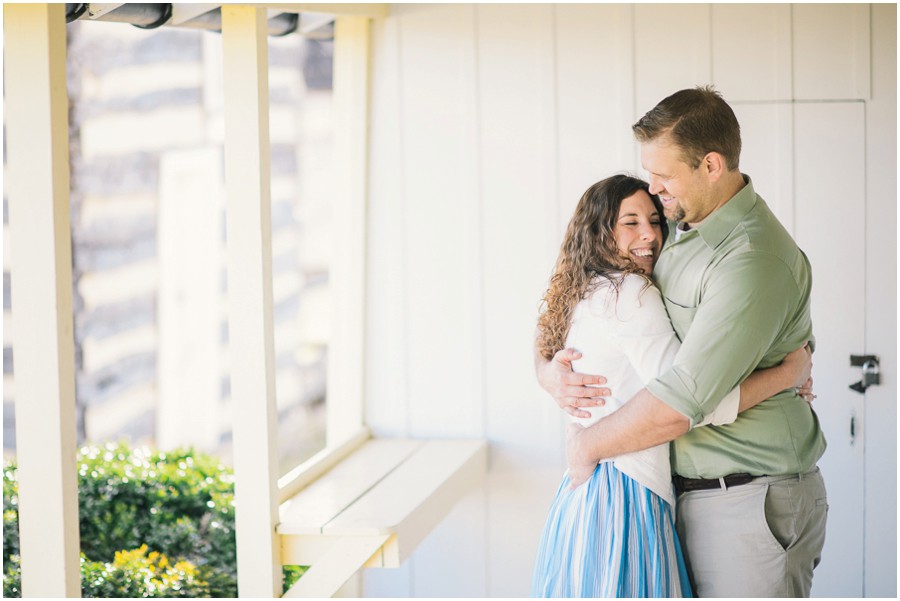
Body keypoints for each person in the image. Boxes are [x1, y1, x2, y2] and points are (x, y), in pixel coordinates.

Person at [535, 87, 827, 597]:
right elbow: (564, 303)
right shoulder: (678, 225)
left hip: (745, 498)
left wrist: (586, 444)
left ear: (710, 165)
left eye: (663, 176)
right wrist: (547, 372)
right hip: (681, 494)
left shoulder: (750, 259)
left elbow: (685, 401)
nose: (654, 190)